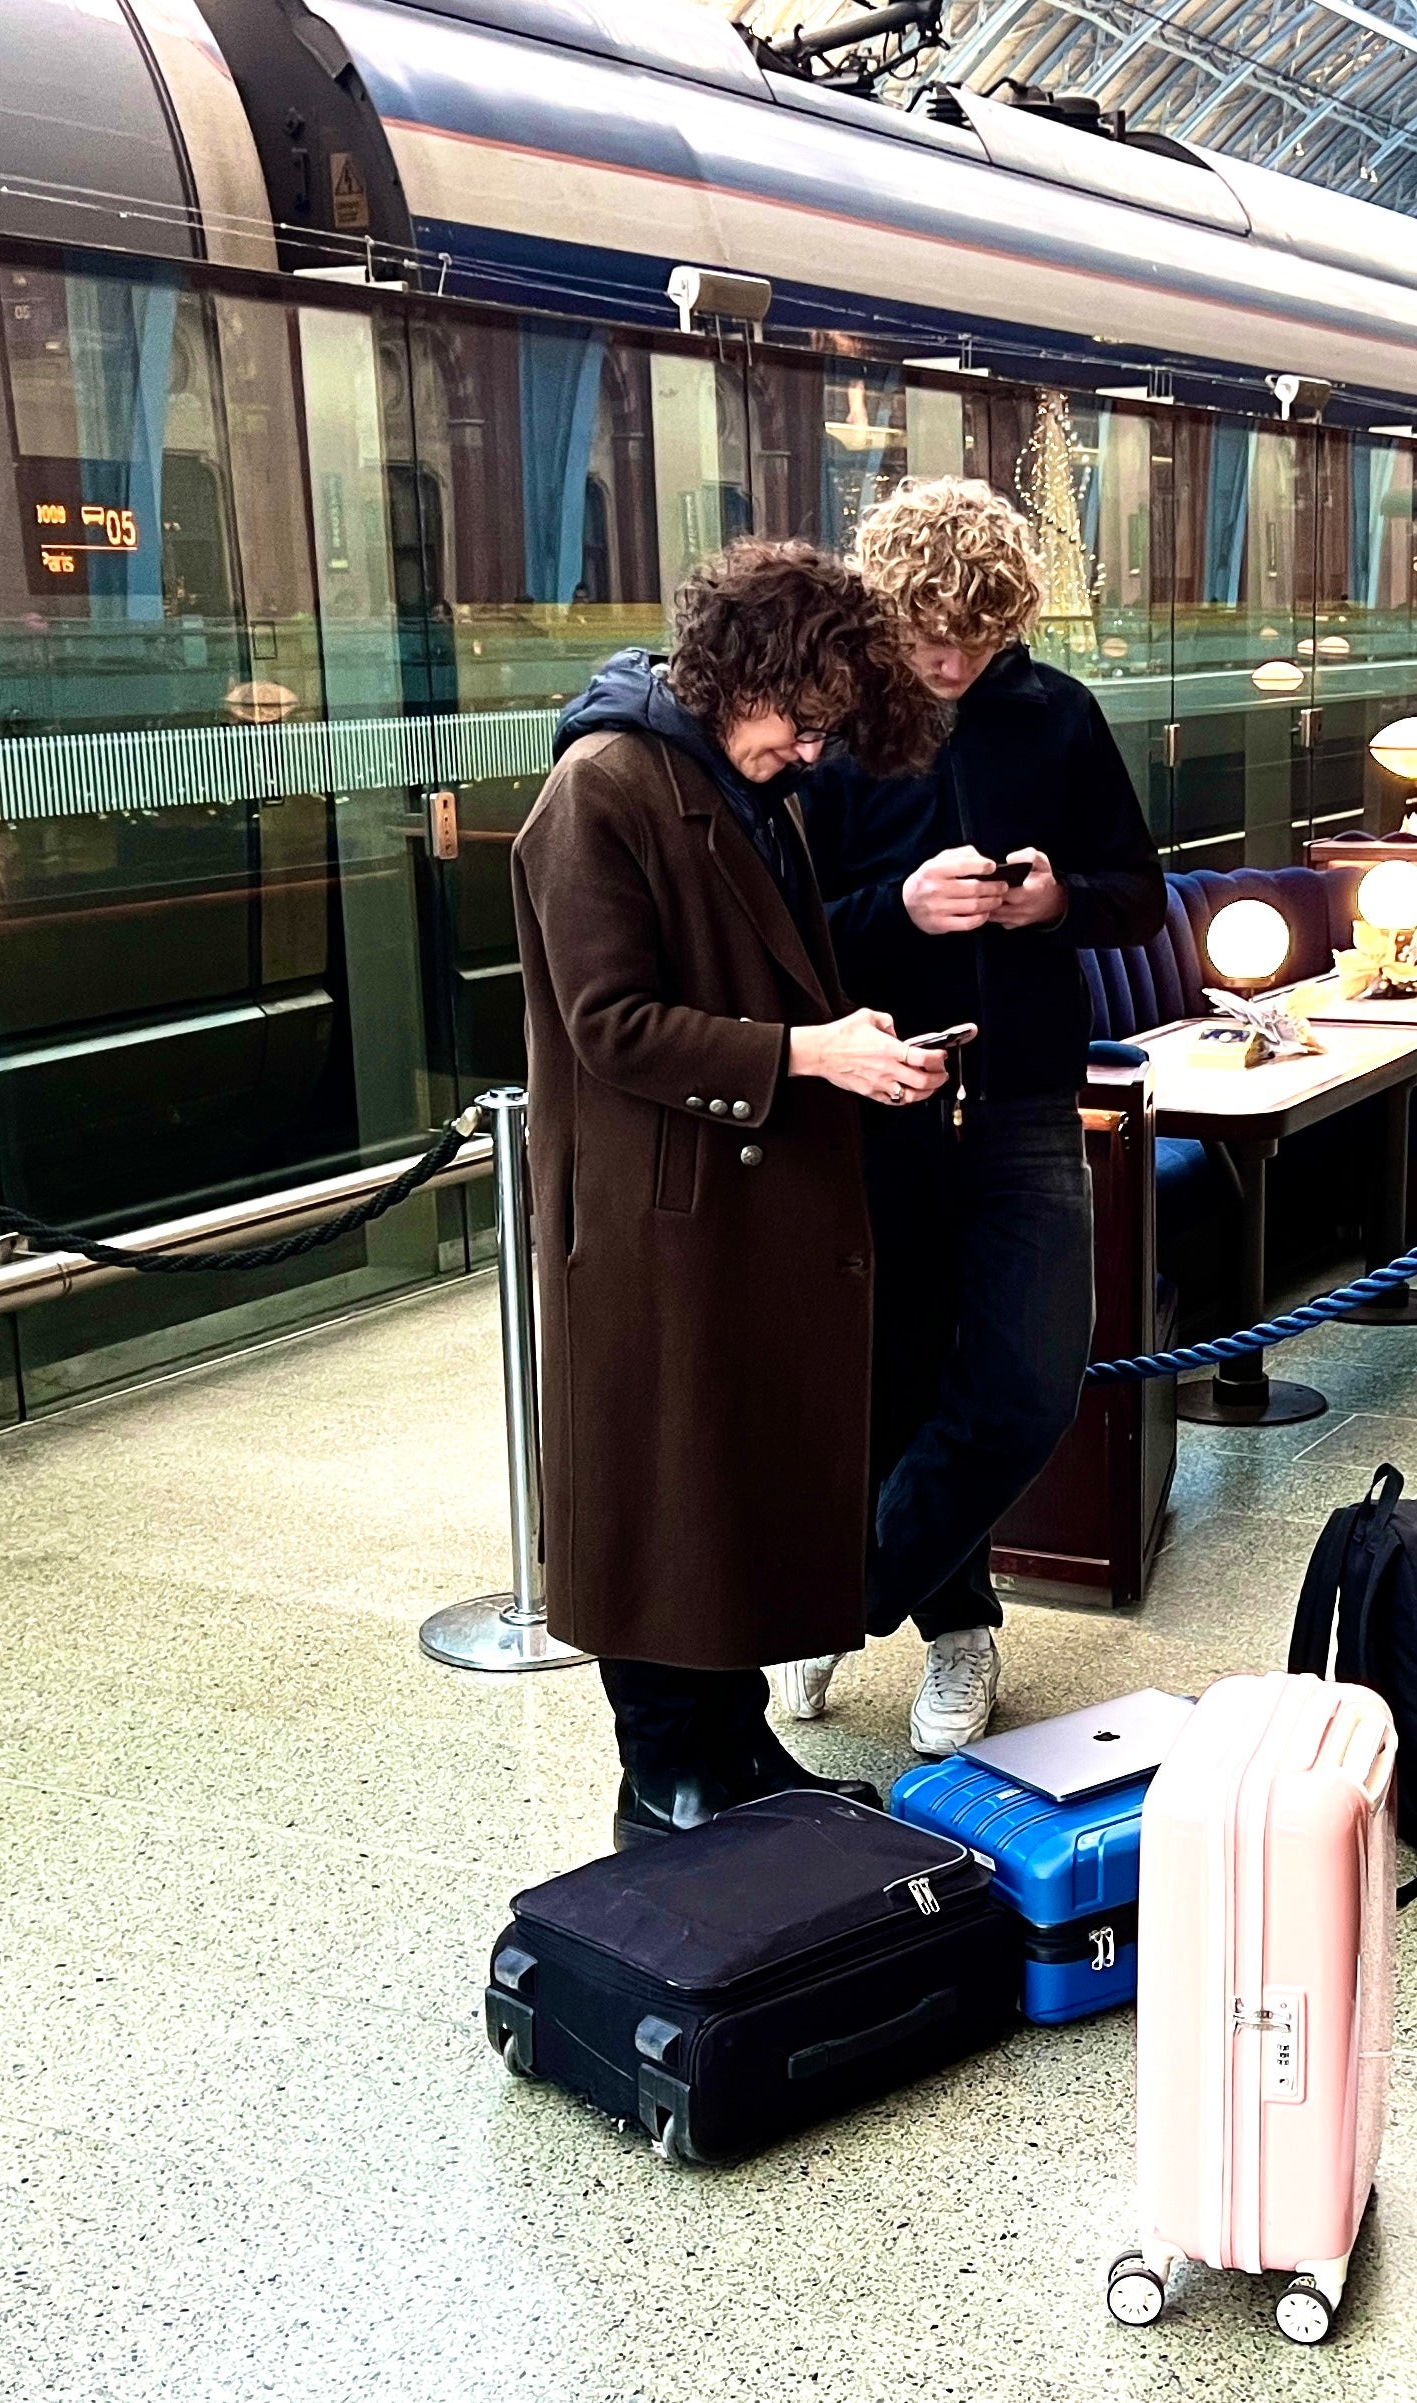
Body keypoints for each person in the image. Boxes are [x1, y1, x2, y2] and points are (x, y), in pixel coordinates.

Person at [519, 540, 946, 1847]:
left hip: (731, 1204)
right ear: (736, 673)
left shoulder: (736, 782)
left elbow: (743, 979)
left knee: (727, 1485)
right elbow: (611, 1023)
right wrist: (812, 1052)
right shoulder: (603, 785)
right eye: (805, 719)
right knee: (664, 1495)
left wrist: (841, 1034)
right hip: (656, 1218)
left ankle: (733, 1745)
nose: (814, 750)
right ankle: (664, 1772)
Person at [784, 476, 1168, 1758]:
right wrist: (898, 909)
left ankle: (843, 1593)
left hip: (1022, 1100)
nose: (950, 659)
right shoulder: (828, 729)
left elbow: (1136, 894)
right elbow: (782, 943)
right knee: (889, 1375)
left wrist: (1054, 900)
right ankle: (955, 1619)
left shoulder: (1056, 715)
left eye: (981, 636)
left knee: (1028, 1380)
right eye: (926, 633)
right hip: (874, 1101)